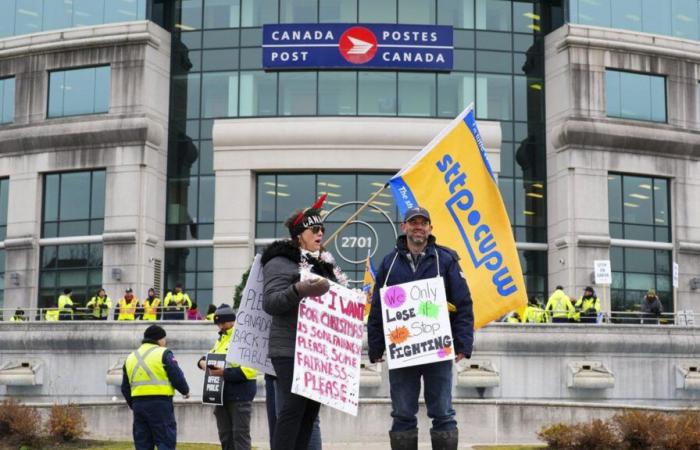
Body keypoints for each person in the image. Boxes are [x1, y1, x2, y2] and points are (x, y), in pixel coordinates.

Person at [367, 206, 473, 450]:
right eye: (413, 222)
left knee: (443, 413)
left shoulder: (446, 260)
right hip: (402, 353)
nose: (418, 226)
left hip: (437, 351)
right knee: (402, 414)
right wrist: (375, 347)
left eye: (423, 223)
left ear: (430, 228)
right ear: (403, 227)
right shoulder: (388, 263)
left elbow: (464, 304)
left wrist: (463, 344)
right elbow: (377, 309)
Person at [262, 194, 346, 450]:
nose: (320, 233)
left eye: (322, 229)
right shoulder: (280, 262)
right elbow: (272, 302)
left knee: (309, 411)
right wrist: (299, 289)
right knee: (294, 406)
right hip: (288, 348)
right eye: (314, 229)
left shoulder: (323, 265)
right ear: (300, 235)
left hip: (318, 349)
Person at [197, 304, 257, 450]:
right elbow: (209, 356)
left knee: (240, 437)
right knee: (225, 437)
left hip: (239, 397)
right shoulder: (221, 339)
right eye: (218, 323)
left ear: (232, 321)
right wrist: (201, 363)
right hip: (221, 395)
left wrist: (223, 372)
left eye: (222, 323)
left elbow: (249, 371)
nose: (220, 326)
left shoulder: (244, 338)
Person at [121, 325, 190, 450]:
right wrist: (185, 391)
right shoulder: (164, 353)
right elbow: (176, 375)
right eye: (164, 338)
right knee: (165, 441)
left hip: (138, 405)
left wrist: (134, 404)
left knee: (143, 443)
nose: (165, 341)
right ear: (159, 339)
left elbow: (125, 387)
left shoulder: (130, 357)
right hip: (160, 404)